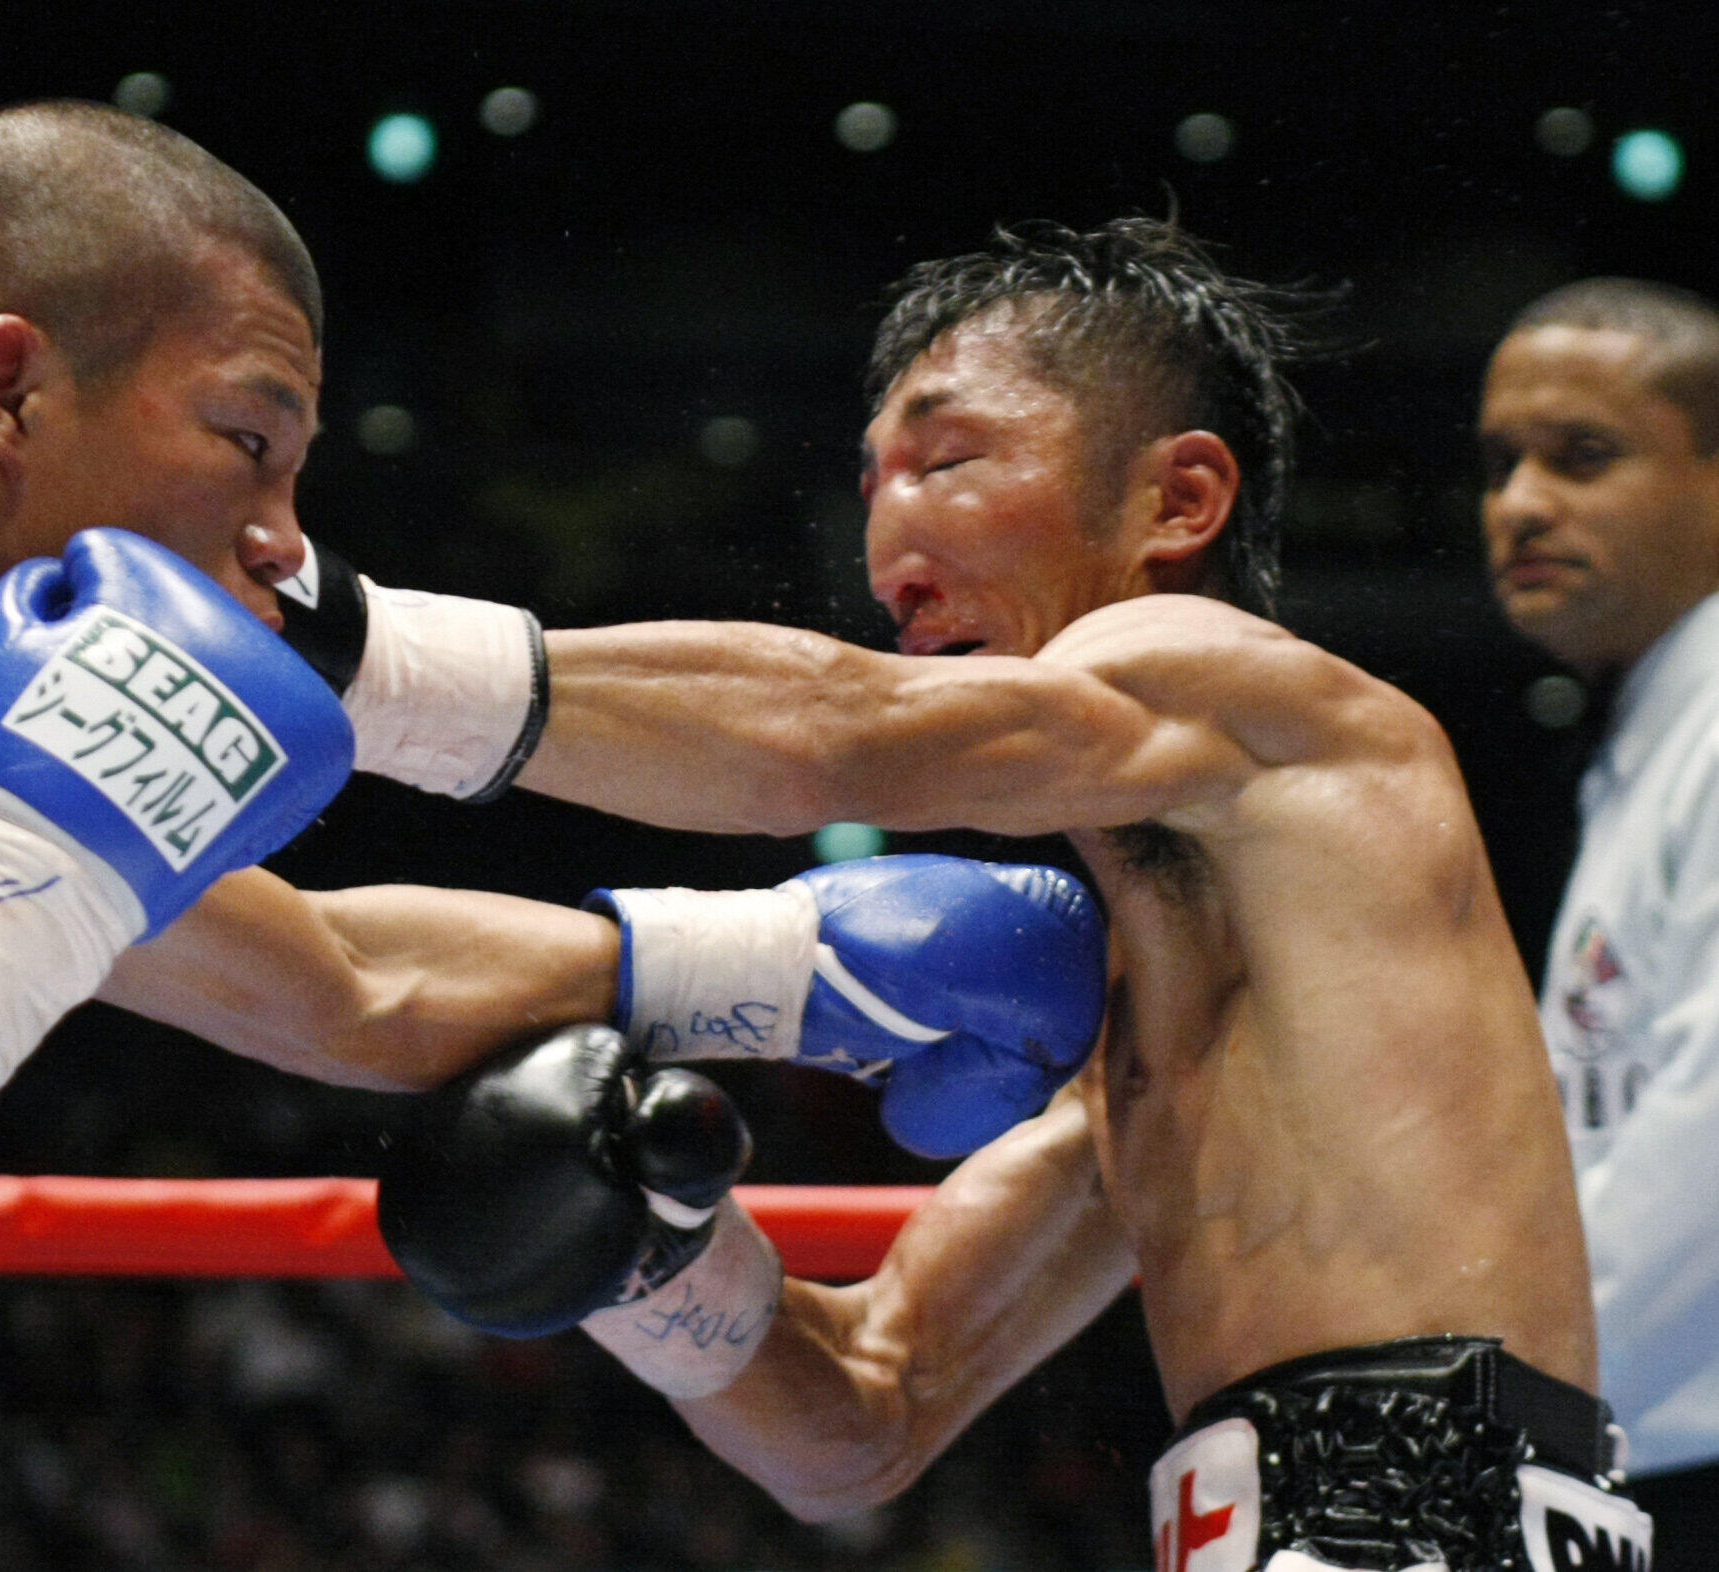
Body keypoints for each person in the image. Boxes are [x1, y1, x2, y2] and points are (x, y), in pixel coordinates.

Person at [0, 98, 1113, 1567]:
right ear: (8, 389)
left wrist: (811, 970)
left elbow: (354, 986)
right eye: (250, 439)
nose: (281, 544)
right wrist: (52, 867)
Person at [364, 219, 1646, 1571]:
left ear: (1179, 503)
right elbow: (864, 1418)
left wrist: (363, 660)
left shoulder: (1276, 703)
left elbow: (837, 734)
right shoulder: (1169, 1061)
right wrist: (662, 1265)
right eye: (872, 483)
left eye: (949, 457)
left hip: (1432, 1526)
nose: (887, 547)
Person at [1479, 276, 1719, 1564]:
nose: (1521, 503)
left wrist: (1517, 1407)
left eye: (1583, 457)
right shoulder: (1650, 739)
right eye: (1502, 462)